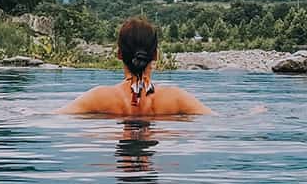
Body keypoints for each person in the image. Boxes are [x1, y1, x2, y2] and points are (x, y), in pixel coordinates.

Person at [63, 17, 210, 116]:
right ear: (155, 55)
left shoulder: (99, 97)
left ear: (119, 54)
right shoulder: (177, 99)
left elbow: (57, 116)